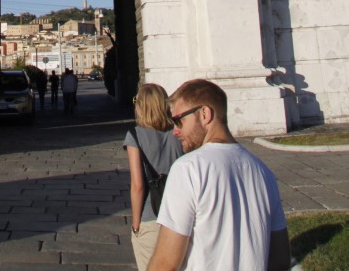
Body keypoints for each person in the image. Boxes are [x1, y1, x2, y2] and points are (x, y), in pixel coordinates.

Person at [147, 79, 291, 271]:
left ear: (204, 114)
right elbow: (280, 259)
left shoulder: (188, 169)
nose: (175, 131)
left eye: (178, 120)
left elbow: (166, 263)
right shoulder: (263, 172)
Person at [124, 84, 183, 271]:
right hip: (180, 215)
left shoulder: (135, 135)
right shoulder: (179, 132)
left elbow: (138, 185)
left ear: (141, 105)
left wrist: (135, 223)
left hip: (151, 215)